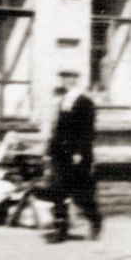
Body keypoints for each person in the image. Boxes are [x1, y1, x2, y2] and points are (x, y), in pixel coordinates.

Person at [43, 72, 102, 244]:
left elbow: (87, 131)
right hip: (60, 154)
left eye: (70, 78)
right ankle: (60, 230)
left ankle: (95, 220)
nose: (66, 81)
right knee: (57, 192)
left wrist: (79, 152)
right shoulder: (63, 101)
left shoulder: (85, 102)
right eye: (63, 78)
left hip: (76, 156)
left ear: (76, 80)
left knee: (80, 194)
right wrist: (49, 151)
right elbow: (58, 130)